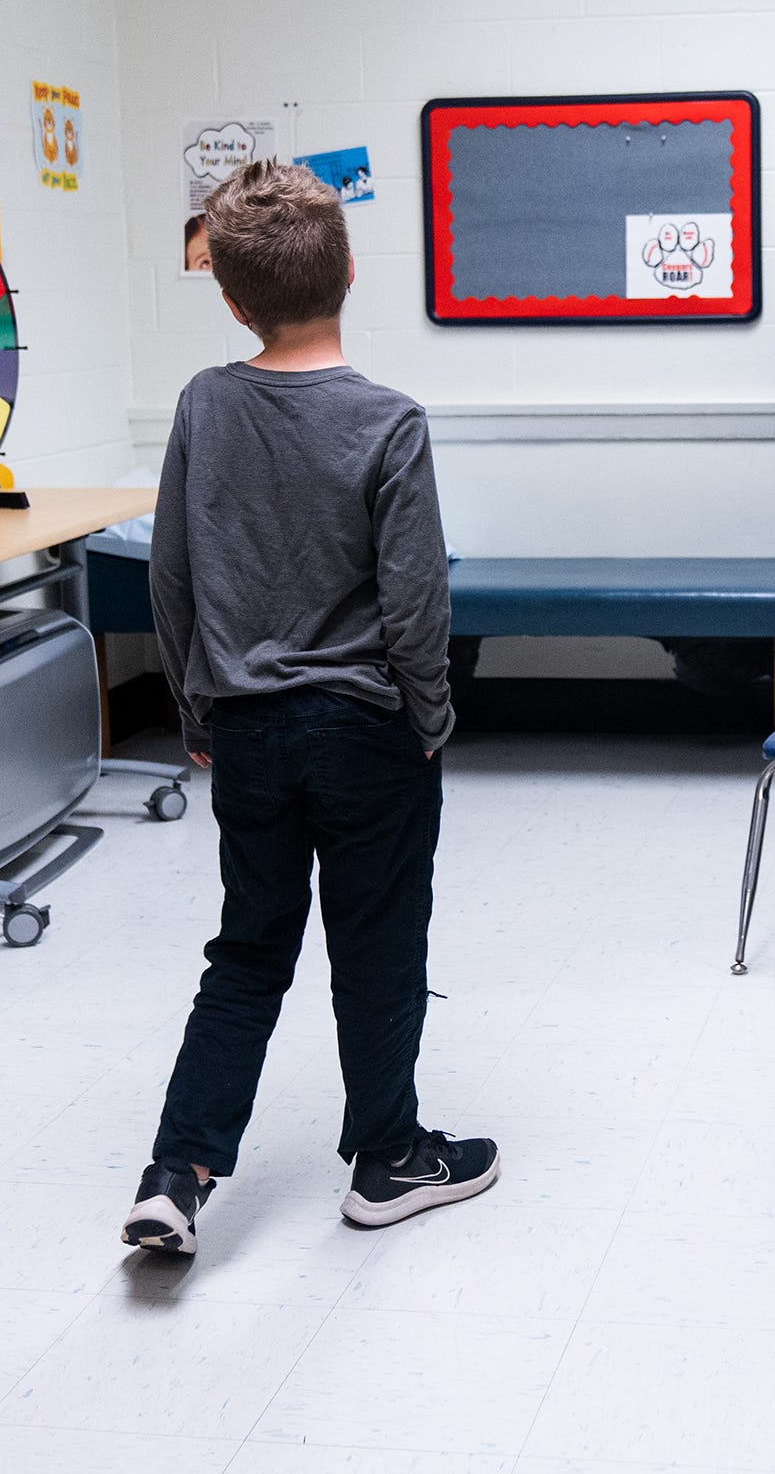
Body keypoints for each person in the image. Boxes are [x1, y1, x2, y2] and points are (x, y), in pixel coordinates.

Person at [121, 161, 495, 1257]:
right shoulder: (388, 421)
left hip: (244, 724)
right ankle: (387, 1158)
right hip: (367, 727)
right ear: (348, 272)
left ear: (231, 297)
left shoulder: (204, 400)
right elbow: (415, 597)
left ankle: (175, 1172)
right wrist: (430, 718)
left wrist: (198, 702)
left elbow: (173, 576)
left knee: (248, 946)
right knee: (377, 943)